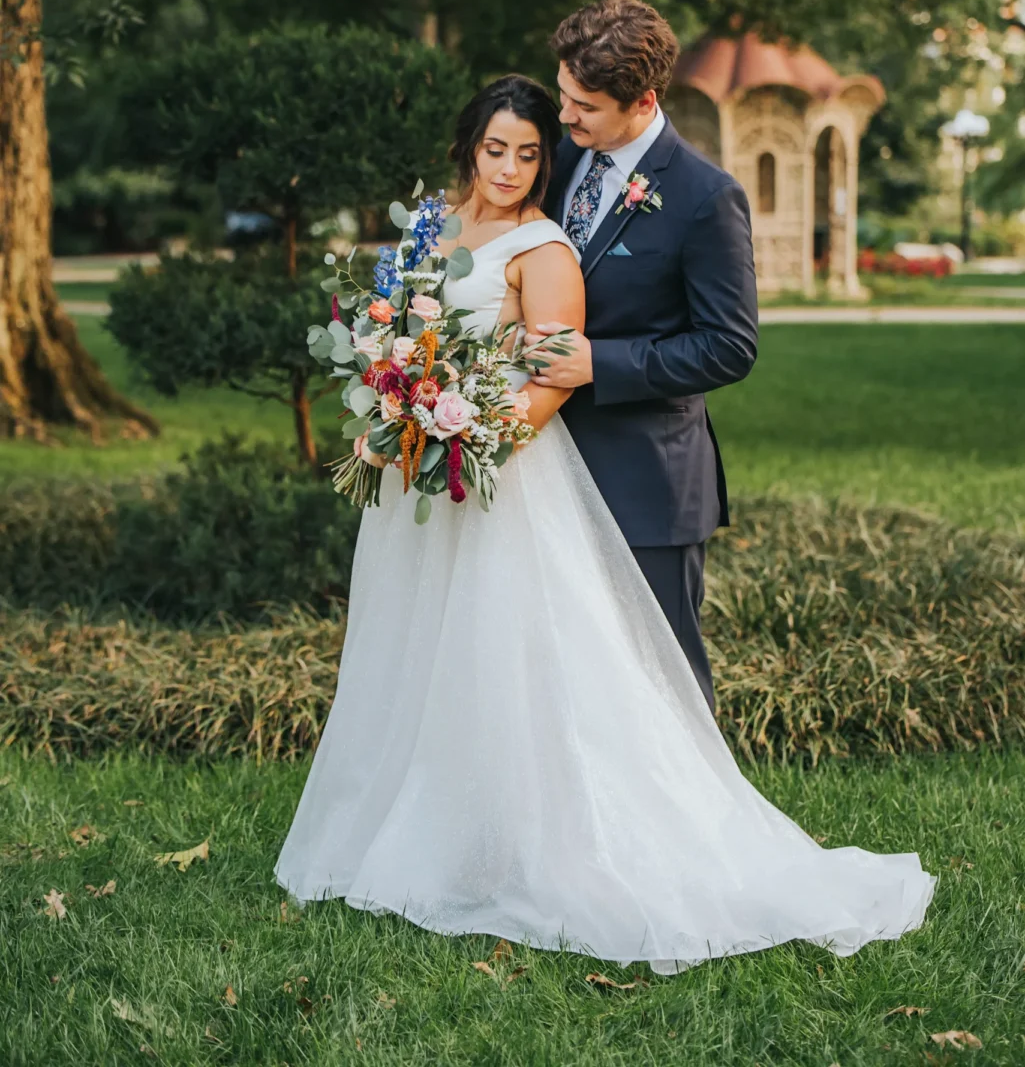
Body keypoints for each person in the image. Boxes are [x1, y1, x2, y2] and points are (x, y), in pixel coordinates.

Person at [275, 69, 934, 974]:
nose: (513, 164)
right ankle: (418, 822)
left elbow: (553, 370)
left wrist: (472, 446)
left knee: (533, 658)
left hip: (491, 468)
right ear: (468, 145)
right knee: (420, 649)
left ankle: (590, 838)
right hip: (411, 475)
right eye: (497, 147)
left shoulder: (550, 242)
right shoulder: (430, 224)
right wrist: (393, 408)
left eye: (533, 148)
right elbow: (397, 327)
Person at [528, 0, 758, 711]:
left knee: (663, 689)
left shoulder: (703, 197)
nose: (564, 117)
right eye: (563, 96)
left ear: (643, 101)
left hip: (648, 485)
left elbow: (729, 345)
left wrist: (599, 363)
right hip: (546, 471)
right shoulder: (558, 159)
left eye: (584, 107)